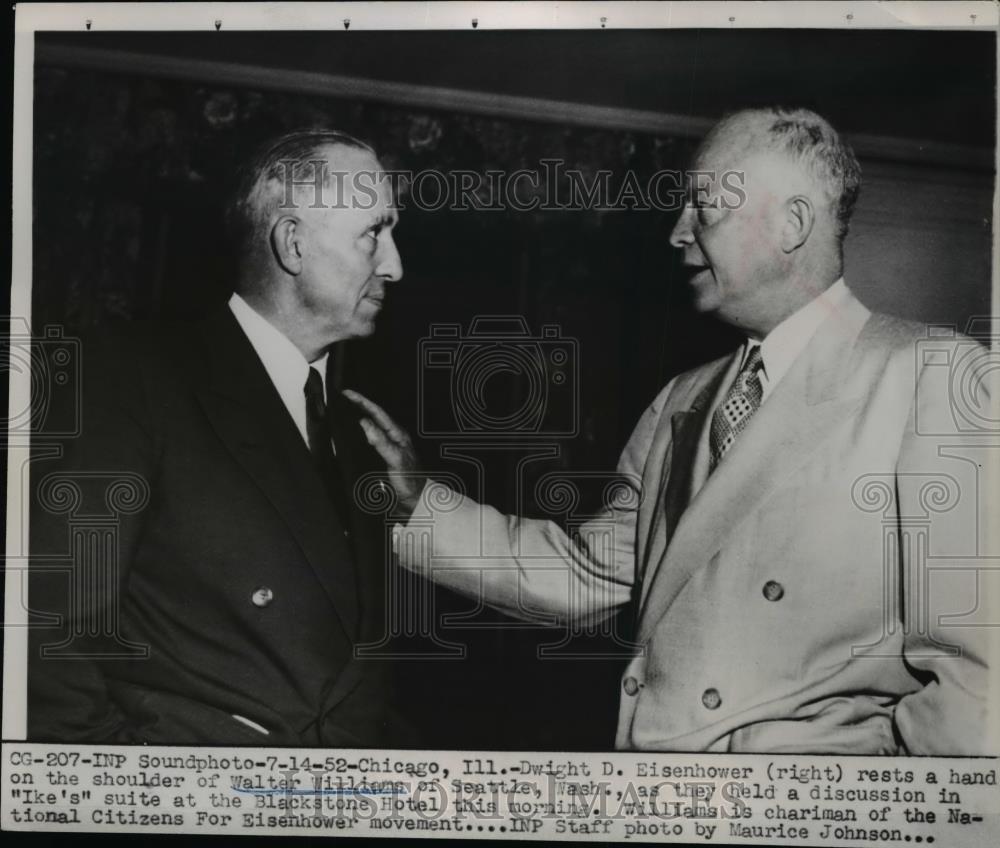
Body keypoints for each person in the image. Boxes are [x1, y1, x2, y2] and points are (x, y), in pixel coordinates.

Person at [350, 107, 993, 754]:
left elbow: (977, 682)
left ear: (792, 224)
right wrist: (420, 503)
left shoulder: (931, 375)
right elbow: (585, 573)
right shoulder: (681, 400)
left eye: (704, 208)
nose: (676, 232)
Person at [28, 129, 409, 745]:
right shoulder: (132, 378)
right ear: (293, 244)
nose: (395, 264)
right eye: (374, 233)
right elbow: (46, 631)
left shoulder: (358, 433)